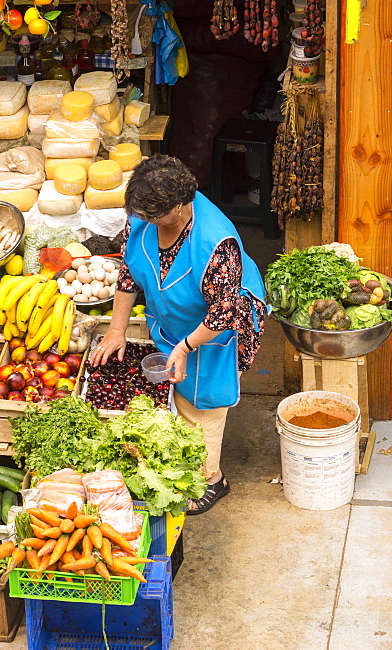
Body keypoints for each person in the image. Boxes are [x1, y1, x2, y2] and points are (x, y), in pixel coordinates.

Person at [89, 155, 267, 515]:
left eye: (152, 216)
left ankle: (213, 480)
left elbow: (224, 312)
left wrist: (186, 346)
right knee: (179, 394)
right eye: (139, 214)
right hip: (176, 314)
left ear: (178, 206)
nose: (143, 221)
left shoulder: (217, 244)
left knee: (206, 402)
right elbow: (128, 272)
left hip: (217, 325)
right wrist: (116, 330)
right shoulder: (142, 215)